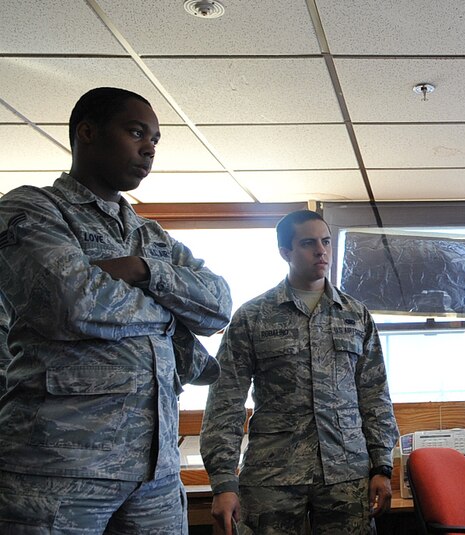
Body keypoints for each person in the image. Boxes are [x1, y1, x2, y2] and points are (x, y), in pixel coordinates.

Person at [0, 87, 233, 533]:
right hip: (58, 468)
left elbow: (218, 304)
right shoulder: (31, 208)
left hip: (155, 473)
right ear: (87, 133)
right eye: (135, 132)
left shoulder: (151, 237)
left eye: (155, 140)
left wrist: (142, 269)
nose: (148, 148)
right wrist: (171, 315)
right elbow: (75, 303)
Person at [200, 209, 399, 535]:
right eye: (308, 243)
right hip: (273, 474)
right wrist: (223, 482)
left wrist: (382, 466)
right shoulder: (253, 316)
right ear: (286, 252)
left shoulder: (355, 315)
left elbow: (375, 394)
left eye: (326, 242)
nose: (321, 251)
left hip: (346, 471)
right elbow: (225, 400)